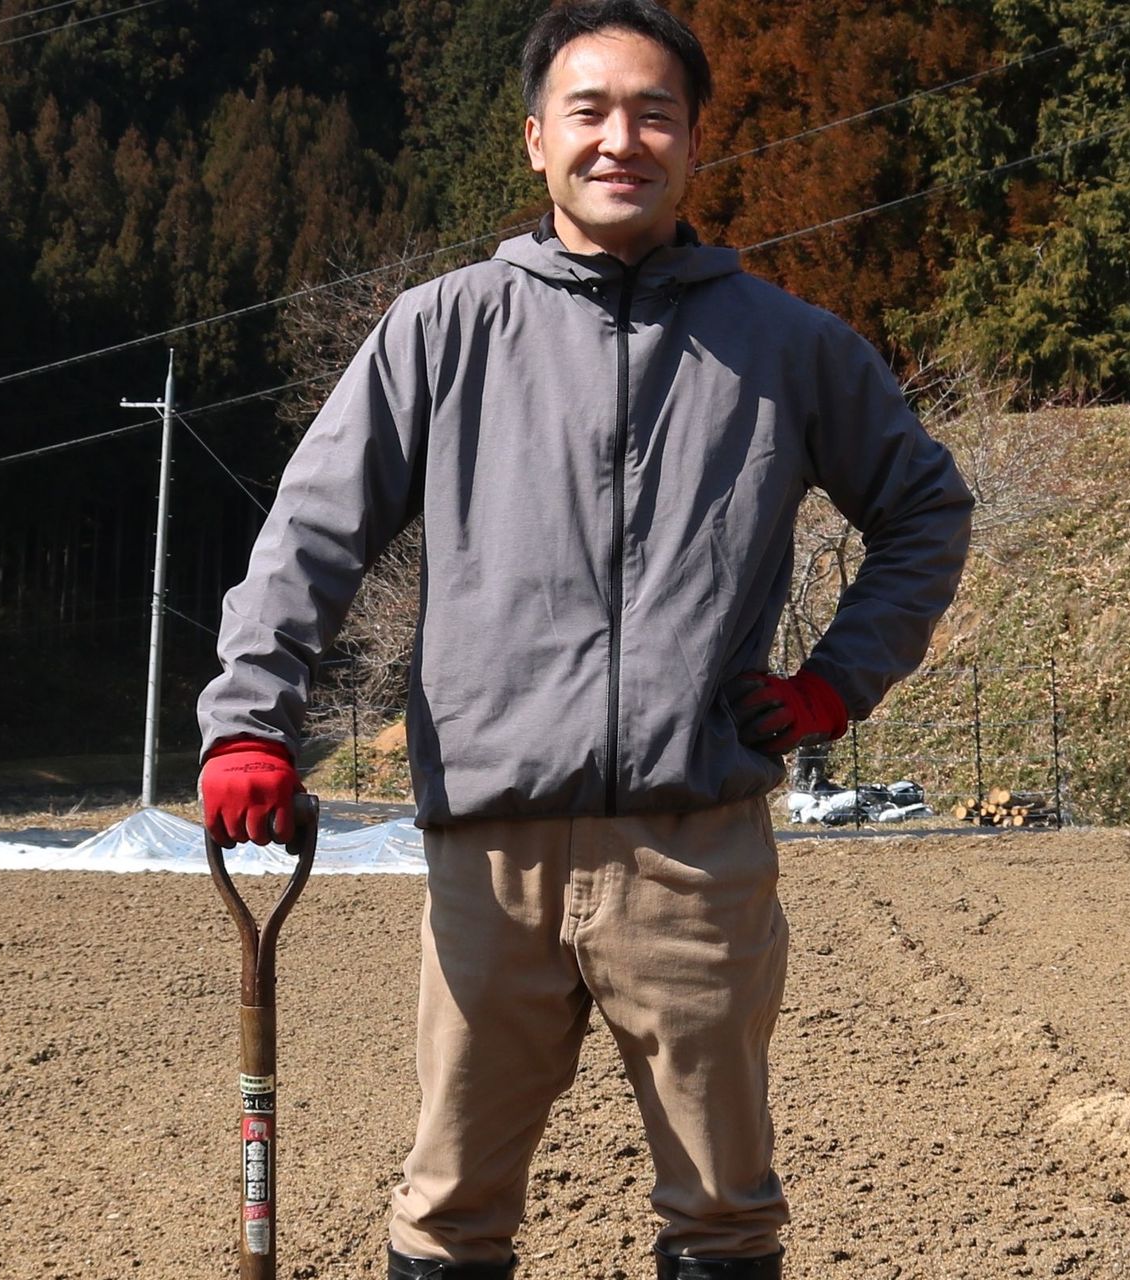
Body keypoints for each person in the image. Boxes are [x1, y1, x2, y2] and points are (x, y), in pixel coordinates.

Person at [197, 2, 974, 1276]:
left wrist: (836, 682)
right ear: (534, 140)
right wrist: (248, 724)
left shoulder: (786, 345)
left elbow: (924, 509)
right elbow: (313, 533)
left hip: (692, 848)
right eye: (589, 111)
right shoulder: (441, 330)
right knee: (450, 1206)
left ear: (694, 142)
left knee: (722, 1208)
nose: (622, 140)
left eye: (654, 113)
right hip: (490, 850)